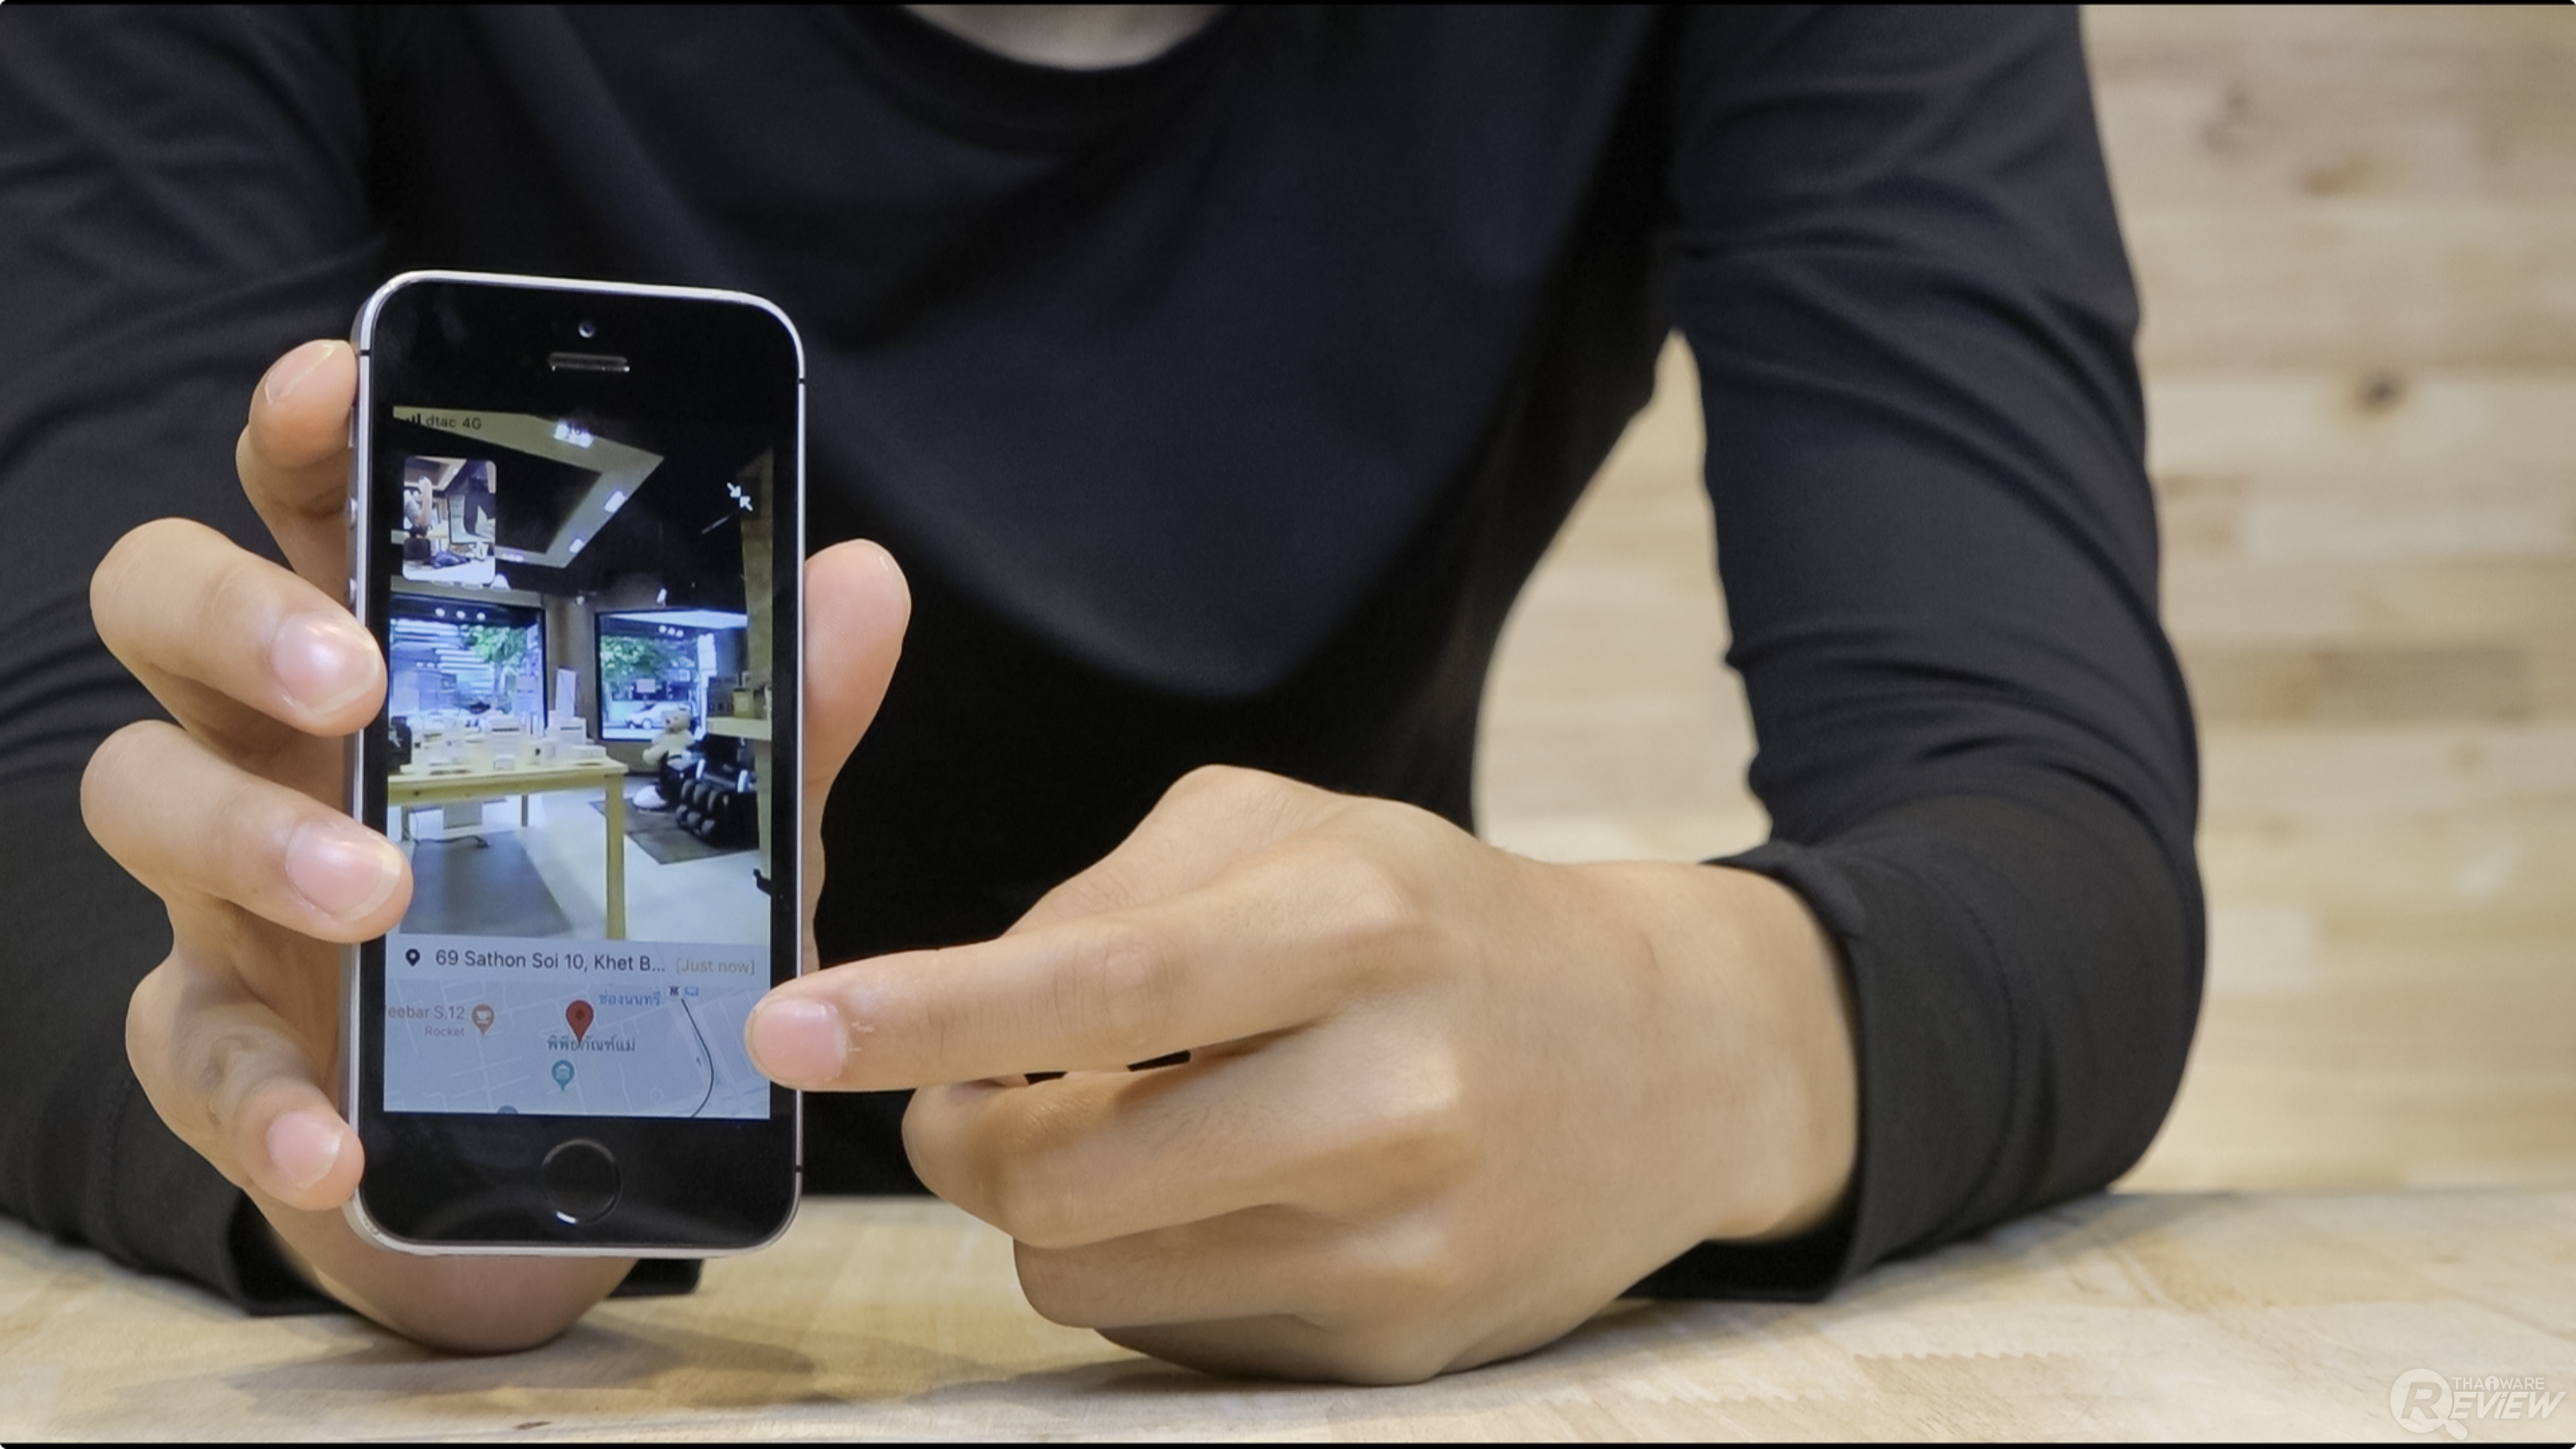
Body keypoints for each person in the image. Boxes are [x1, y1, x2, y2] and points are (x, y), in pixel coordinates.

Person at [0, 5, 2200, 1382]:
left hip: (1360, 1281)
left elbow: (2047, 819)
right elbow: (69, 770)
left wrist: (1662, 1033)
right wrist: (321, 1156)